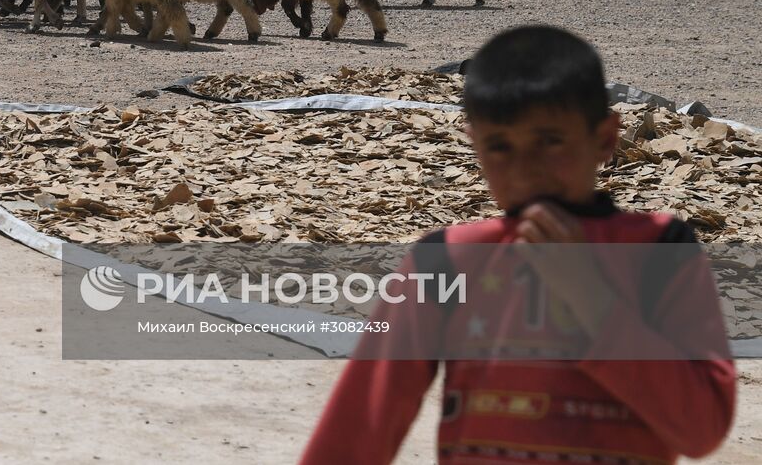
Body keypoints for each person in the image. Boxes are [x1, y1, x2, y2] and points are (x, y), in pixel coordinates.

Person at [300, 25, 735, 464]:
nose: (526, 170)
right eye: (501, 146)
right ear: (475, 147)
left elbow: (702, 431)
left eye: (550, 141)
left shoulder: (660, 251)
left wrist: (593, 302)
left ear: (605, 138)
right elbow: (359, 427)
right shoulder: (446, 261)